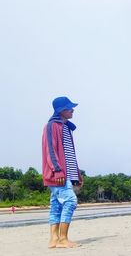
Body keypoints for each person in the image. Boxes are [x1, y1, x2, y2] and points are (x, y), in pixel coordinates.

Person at [42, 97, 84, 248]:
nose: (72, 110)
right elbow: (51, 150)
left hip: (67, 174)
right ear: (61, 110)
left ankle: (53, 240)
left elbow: (69, 154)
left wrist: (77, 174)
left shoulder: (66, 127)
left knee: (56, 206)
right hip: (59, 174)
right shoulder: (52, 125)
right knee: (70, 201)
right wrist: (58, 171)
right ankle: (63, 239)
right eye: (69, 108)